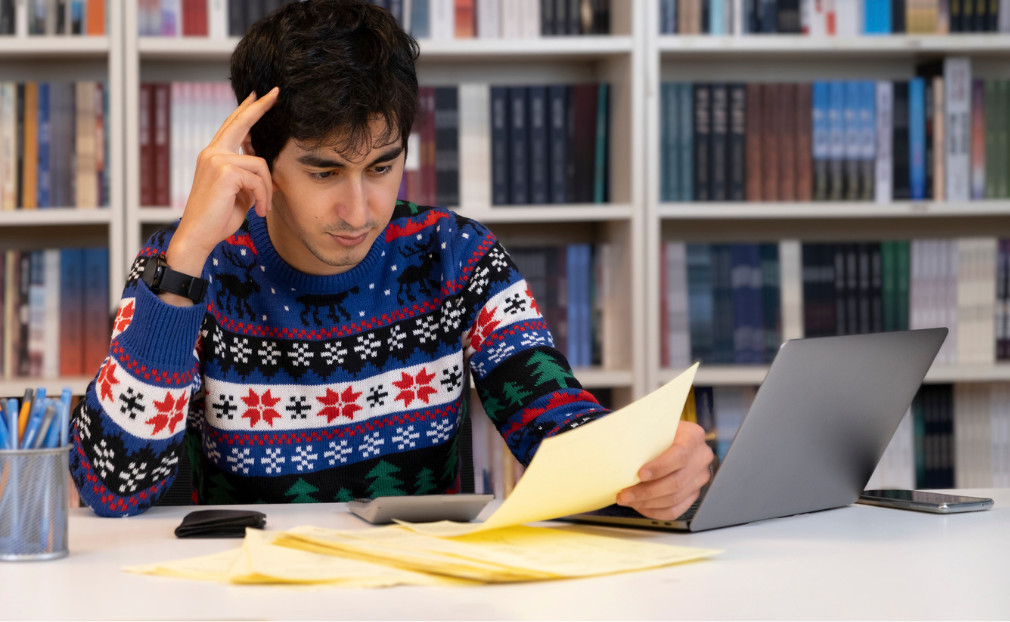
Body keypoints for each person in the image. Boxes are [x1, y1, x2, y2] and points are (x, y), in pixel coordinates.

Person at [69, 0, 713, 520]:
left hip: (421, 597)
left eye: (382, 166)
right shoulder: (186, 269)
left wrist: (649, 465)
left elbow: (555, 422)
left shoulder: (458, 255)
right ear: (257, 160)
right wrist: (185, 255)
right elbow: (112, 489)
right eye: (324, 171)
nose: (359, 210)